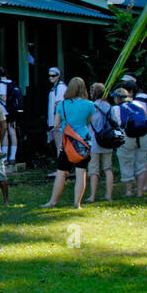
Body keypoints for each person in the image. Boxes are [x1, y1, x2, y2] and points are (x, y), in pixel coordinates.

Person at [41, 76, 94, 208]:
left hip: (67, 143)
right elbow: (88, 122)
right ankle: (77, 203)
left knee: (61, 173)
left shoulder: (62, 105)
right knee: (81, 173)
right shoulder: (89, 105)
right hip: (83, 143)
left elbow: (56, 123)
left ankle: (52, 201)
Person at [110, 87, 147, 197]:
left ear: (117, 98)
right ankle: (140, 191)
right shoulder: (139, 105)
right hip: (144, 136)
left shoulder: (116, 109)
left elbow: (116, 124)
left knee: (126, 162)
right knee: (141, 163)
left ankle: (128, 191)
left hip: (127, 137)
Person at [86, 82, 115, 203]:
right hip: (107, 140)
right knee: (108, 168)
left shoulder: (91, 106)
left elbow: (87, 123)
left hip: (94, 141)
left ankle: (92, 196)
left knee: (94, 170)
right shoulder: (109, 106)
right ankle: (109, 195)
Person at [0, 69, 22, 164]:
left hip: (5, 111)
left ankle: (5, 157)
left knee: (5, 133)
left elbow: (3, 98)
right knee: (13, 133)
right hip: (13, 111)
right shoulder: (12, 83)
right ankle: (13, 157)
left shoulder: (1, 84)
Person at [46, 66, 67, 157]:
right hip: (53, 122)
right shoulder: (54, 88)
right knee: (59, 145)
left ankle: (62, 168)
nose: (51, 77)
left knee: (60, 145)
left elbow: (59, 105)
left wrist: (56, 121)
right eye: (49, 75)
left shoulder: (61, 87)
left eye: (53, 75)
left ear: (58, 76)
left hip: (58, 122)